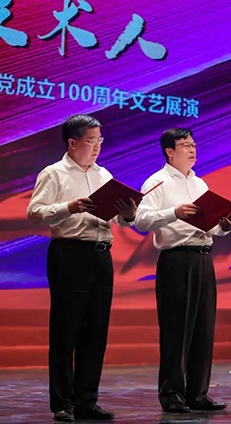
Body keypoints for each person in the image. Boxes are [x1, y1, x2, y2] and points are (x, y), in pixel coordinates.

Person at [27, 114, 136, 422]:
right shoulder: (54, 173)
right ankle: (62, 402)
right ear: (72, 143)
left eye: (100, 141)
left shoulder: (104, 175)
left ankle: (87, 400)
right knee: (66, 329)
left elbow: (118, 219)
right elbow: (34, 213)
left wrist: (128, 214)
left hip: (101, 255)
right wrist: (69, 207)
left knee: (95, 330)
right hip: (69, 253)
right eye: (91, 141)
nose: (97, 147)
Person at [134, 128, 231, 413]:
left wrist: (223, 226)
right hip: (176, 260)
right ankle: (172, 394)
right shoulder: (157, 181)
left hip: (203, 258)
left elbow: (210, 225)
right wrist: (173, 213)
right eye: (185, 145)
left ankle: (197, 394)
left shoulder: (200, 183)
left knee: (203, 328)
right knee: (176, 329)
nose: (192, 150)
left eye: (194, 145)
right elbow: (141, 220)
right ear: (169, 151)